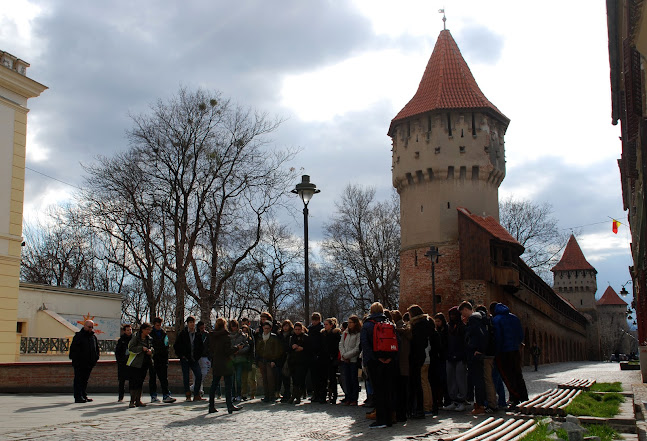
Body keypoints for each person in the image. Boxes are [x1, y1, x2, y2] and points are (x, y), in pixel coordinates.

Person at [361, 302, 398, 429]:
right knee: (388, 390)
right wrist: (389, 358)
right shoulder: (389, 323)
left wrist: (375, 359)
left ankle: (381, 419)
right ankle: (390, 418)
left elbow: (365, 345)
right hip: (389, 361)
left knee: (378, 391)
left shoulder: (367, 324)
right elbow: (395, 343)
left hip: (374, 362)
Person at [491, 302, 529, 409]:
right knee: (518, 374)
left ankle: (515, 398)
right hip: (515, 351)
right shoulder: (514, 318)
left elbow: (498, 338)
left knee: (507, 377)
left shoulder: (496, 320)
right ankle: (524, 397)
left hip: (503, 352)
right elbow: (521, 335)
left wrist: (496, 351)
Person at [208, 317, 243, 414]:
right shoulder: (225, 336)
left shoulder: (212, 336)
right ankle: (229, 405)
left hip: (216, 362)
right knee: (228, 386)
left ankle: (211, 405)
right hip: (226, 363)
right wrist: (237, 348)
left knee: (214, 385)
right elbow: (227, 351)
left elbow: (209, 349)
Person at [459, 301, 488, 415]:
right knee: (478, 380)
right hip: (476, 353)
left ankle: (480, 405)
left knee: (478, 381)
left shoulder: (474, 319)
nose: (463, 316)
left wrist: (479, 350)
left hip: (475, 354)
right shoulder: (478, 318)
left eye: (463, 313)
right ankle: (479, 404)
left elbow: (481, 335)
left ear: (466, 310)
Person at [173, 316, 204, 401]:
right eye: (190, 322)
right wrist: (181, 356)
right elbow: (176, 346)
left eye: (193, 322)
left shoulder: (197, 334)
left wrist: (198, 356)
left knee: (199, 375)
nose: (192, 324)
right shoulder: (183, 333)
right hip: (185, 358)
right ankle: (187, 394)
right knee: (186, 377)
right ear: (187, 323)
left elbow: (201, 346)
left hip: (194, 358)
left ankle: (196, 393)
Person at [408, 304, 430, 419]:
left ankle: (418, 409)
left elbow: (416, 342)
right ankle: (420, 408)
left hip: (416, 356)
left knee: (417, 383)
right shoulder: (426, 323)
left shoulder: (417, 326)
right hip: (421, 355)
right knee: (419, 383)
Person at [69, 319, 100, 403]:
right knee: (78, 380)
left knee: (85, 380)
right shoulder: (79, 336)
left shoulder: (93, 337)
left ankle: (84, 395)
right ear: (85, 326)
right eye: (89, 327)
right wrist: (76, 361)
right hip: (80, 363)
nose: (90, 329)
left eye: (92, 327)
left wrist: (95, 358)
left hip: (89, 363)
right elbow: (73, 350)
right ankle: (78, 397)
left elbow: (96, 349)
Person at [444, 306, 467, 412]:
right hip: (450, 356)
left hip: (460, 357)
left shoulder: (462, 327)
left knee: (460, 380)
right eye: (451, 315)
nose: (452, 317)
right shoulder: (448, 327)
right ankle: (454, 400)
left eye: (454, 315)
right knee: (451, 380)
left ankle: (461, 400)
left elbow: (464, 342)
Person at [126, 322, 154, 408]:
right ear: (142, 330)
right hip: (135, 363)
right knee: (134, 382)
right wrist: (141, 348)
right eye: (147, 329)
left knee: (140, 382)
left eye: (149, 330)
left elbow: (152, 347)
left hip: (145, 363)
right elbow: (130, 348)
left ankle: (138, 400)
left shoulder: (149, 339)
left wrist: (151, 351)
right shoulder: (136, 338)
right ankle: (132, 400)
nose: (148, 331)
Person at [149, 317, 176, 403]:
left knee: (164, 378)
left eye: (160, 325)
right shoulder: (150, 334)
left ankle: (166, 394)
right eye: (157, 325)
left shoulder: (164, 333)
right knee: (153, 378)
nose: (159, 326)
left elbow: (167, 345)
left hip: (163, 358)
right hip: (154, 359)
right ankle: (153, 395)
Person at [255, 320, 283, 403]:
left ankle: (272, 395)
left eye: (267, 328)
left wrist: (274, 360)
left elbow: (277, 350)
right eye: (265, 328)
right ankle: (266, 395)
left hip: (270, 360)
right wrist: (258, 360)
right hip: (262, 360)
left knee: (271, 379)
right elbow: (257, 349)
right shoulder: (260, 337)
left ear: (270, 329)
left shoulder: (274, 337)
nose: (266, 330)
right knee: (264, 379)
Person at [339, 315, 361, 406]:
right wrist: (343, 355)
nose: (349, 324)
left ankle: (354, 398)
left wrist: (348, 356)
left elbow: (357, 348)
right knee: (346, 379)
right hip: (345, 359)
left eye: (351, 322)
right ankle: (347, 397)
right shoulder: (346, 332)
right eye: (348, 322)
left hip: (353, 360)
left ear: (355, 323)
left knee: (353, 379)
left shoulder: (358, 333)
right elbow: (341, 344)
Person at [392, 310, 410, 422]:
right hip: (405, 362)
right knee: (404, 388)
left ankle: (401, 413)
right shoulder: (406, 329)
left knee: (400, 390)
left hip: (399, 362)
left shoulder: (397, 331)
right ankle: (404, 411)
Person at [288, 322, 309, 404]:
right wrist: (292, 347)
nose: (297, 331)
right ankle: (296, 395)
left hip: (302, 361)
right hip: (293, 361)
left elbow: (309, 349)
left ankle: (296, 396)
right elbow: (287, 349)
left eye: (299, 329)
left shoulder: (305, 337)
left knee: (300, 379)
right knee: (294, 379)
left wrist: (302, 349)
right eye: (296, 329)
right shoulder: (291, 338)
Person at [322, 317, 341, 404]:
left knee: (333, 378)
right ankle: (324, 395)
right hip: (324, 358)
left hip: (332, 358)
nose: (325, 326)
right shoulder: (323, 334)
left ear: (331, 325)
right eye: (324, 324)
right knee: (324, 377)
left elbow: (337, 347)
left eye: (326, 324)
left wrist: (334, 357)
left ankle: (334, 395)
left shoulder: (335, 334)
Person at [308, 312, 326, 403]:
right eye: (313, 320)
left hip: (320, 355)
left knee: (321, 377)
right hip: (312, 355)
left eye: (316, 320)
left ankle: (322, 395)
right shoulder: (310, 329)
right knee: (313, 377)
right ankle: (315, 393)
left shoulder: (322, 329)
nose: (314, 322)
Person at [230, 319, 249, 402]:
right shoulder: (228, 336)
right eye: (232, 326)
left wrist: (240, 351)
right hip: (231, 359)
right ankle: (232, 394)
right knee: (231, 378)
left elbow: (247, 346)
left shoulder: (242, 335)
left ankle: (238, 394)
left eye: (235, 326)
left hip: (240, 359)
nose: (233, 328)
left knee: (238, 378)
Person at [190, 321, 210, 399]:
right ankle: (198, 390)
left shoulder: (207, 335)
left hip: (205, 356)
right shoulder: (195, 334)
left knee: (203, 373)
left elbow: (209, 345)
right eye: (201, 328)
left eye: (203, 328)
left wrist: (209, 355)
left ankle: (194, 387)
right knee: (196, 374)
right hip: (197, 356)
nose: (203, 329)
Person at [277, 320, 294, 402]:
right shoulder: (279, 335)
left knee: (289, 376)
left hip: (289, 357)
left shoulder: (292, 335)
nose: (285, 327)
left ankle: (291, 394)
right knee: (284, 377)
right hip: (281, 357)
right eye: (284, 326)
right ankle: (286, 393)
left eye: (287, 326)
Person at [115, 324, 132, 402]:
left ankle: (133, 396)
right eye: (127, 330)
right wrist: (120, 361)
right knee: (122, 381)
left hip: (132, 362)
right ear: (124, 331)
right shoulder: (121, 340)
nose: (129, 331)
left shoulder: (134, 339)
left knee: (133, 380)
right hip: (123, 363)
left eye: (130, 330)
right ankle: (120, 397)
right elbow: (117, 352)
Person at [240, 323, 256, 400]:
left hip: (250, 360)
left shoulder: (251, 340)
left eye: (246, 331)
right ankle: (244, 394)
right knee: (244, 378)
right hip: (243, 360)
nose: (245, 332)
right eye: (243, 331)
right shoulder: (240, 340)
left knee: (251, 378)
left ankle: (252, 393)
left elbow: (252, 350)